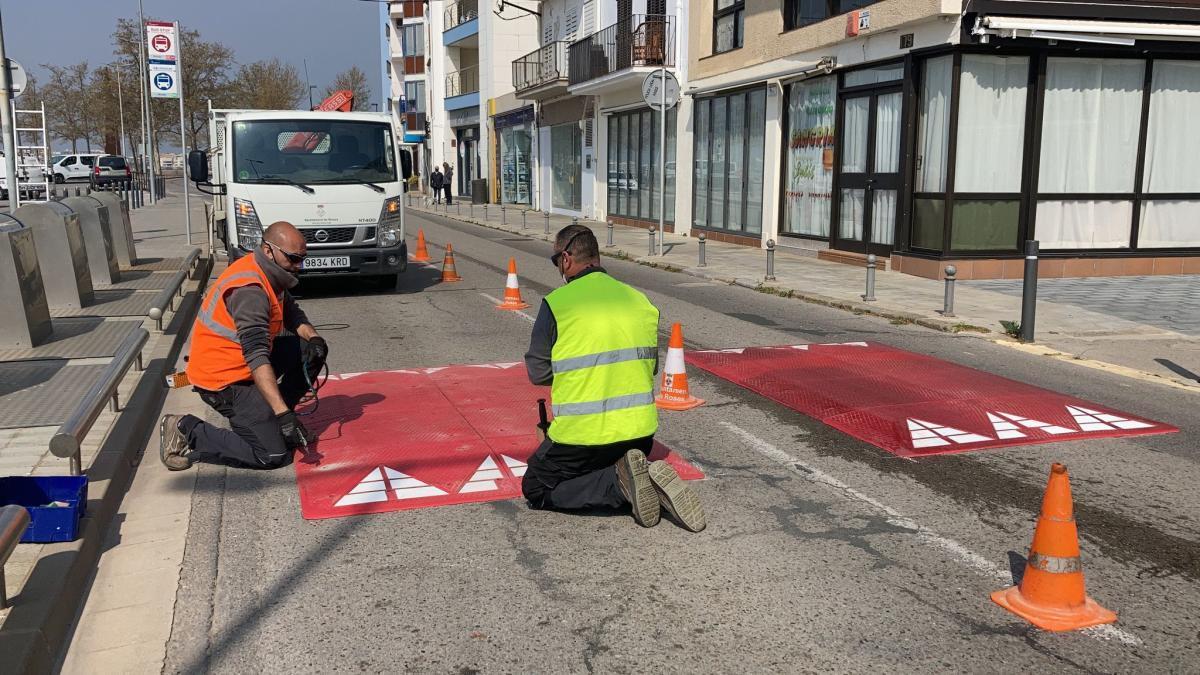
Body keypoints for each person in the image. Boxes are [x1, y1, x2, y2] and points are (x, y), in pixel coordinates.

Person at [522, 224, 705, 531]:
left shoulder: (557, 304)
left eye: (556, 261)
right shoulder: (641, 302)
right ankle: (640, 479)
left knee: (537, 486)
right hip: (639, 438)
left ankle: (621, 487)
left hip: (580, 439)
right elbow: (648, 368)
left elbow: (538, 374)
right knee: (612, 462)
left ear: (566, 259)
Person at [158, 221, 329, 471]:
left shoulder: (271, 272)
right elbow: (256, 355)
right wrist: (282, 414)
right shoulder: (250, 291)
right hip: (224, 379)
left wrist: (314, 339)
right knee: (273, 455)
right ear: (269, 250)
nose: (298, 265)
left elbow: (292, 313)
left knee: (310, 351)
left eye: (302, 258)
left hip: (244, 365)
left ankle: (276, 421)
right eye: (293, 258)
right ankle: (186, 428)